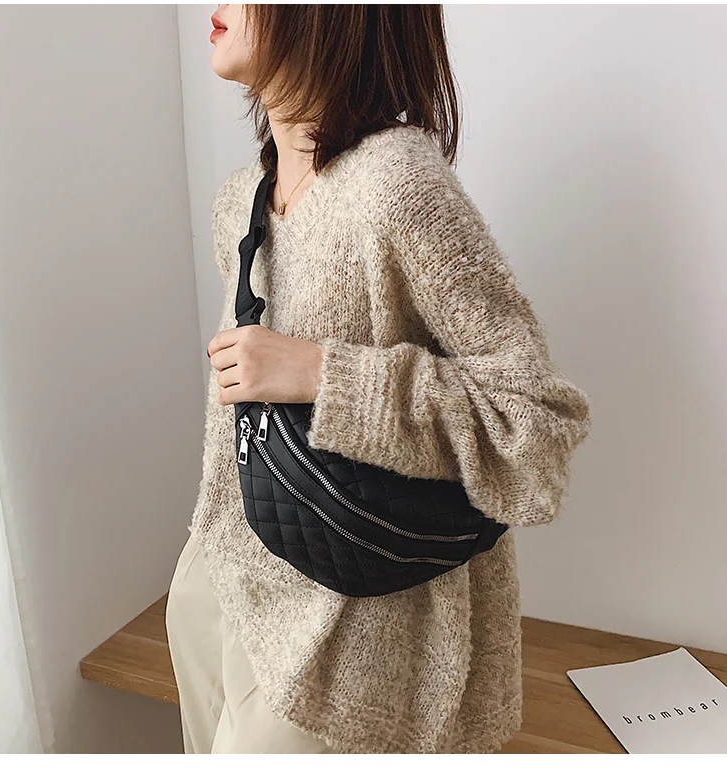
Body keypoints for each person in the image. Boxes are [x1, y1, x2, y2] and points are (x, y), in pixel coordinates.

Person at [165, 3, 592, 755]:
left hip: (346, 641)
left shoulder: (397, 185)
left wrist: (322, 374)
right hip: (219, 586)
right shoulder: (241, 202)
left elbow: (535, 423)